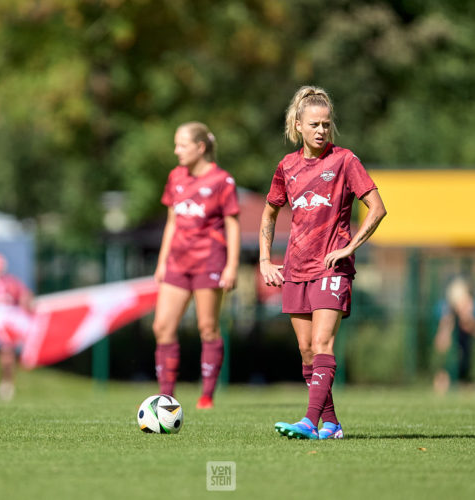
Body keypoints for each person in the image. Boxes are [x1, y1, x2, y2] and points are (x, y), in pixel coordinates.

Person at [259, 86, 386, 439]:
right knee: (306, 352)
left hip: (332, 268)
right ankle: (331, 424)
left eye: (326, 125)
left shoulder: (345, 161)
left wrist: (349, 248)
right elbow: (270, 213)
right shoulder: (287, 166)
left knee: (322, 344)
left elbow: (377, 209)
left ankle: (309, 422)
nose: (321, 130)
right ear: (298, 125)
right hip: (295, 268)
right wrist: (265, 260)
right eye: (314, 124)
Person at [153, 121, 240, 409]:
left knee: (207, 328)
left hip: (209, 262)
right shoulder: (175, 177)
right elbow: (171, 222)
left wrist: (232, 266)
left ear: (200, 147)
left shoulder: (222, 181)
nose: (176, 150)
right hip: (177, 264)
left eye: (182, 145)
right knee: (162, 327)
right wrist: (162, 261)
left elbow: (233, 225)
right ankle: (166, 396)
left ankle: (206, 396)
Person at [0, 252, 32, 401]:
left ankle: (7, 384)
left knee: (7, 353)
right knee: (3, 355)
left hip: (9, 324)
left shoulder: (12, 283)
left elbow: (24, 297)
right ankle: (5, 383)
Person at [433, 276, 475, 394]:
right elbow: (440, 345)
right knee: (444, 379)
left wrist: (470, 323)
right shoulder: (449, 319)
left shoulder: (469, 322)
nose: (470, 306)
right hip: (451, 363)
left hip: (465, 364)